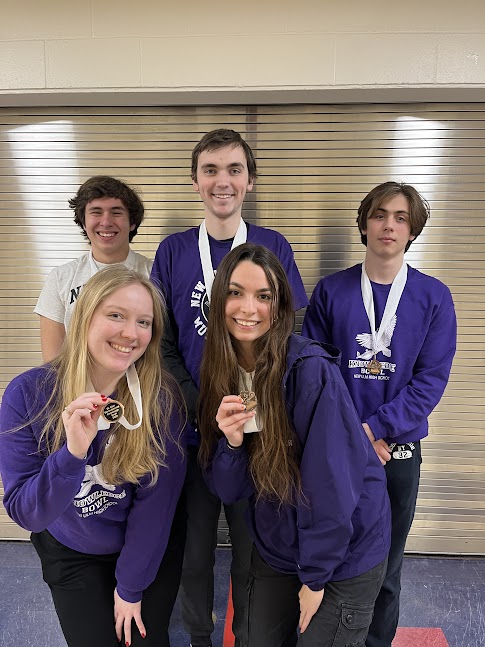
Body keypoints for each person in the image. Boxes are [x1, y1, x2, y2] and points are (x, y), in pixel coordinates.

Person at [151, 129, 308, 647]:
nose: (223, 181)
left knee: (250, 550)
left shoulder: (274, 246)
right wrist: (203, 408)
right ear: (195, 181)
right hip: (193, 435)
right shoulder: (173, 251)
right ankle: (199, 636)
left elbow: (287, 331)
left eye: (234, 170)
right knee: (195, 551)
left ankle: (243, 635)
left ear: (250, 180)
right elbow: (161, 344)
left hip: (256, 436)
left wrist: (251, 407)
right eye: (212, 170)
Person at [197, 243, 390, 647]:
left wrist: (316, 577)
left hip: (343, 548)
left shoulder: (309, 372)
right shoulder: (219, 370)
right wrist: (232, 444)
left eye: (263, 296)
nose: (249, 308)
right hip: (280, 542)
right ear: (218, 301)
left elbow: (332, 488)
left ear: (280, 305)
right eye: (235, 293)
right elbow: (230, 490)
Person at [302, 182, 457, 647]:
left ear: (412, 230)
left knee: (386, 567)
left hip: (397, 452)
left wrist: (375, 429)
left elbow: (430, 381)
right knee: (328, 556)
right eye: (380, 214)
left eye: (401, 218)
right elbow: (316, 370)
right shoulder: (332, 291)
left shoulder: (434, 297)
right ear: (365, 223)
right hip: (334, 450)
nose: (389, 224)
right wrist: (353, 434)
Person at [0, 266, 186, 647]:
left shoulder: (161, 399)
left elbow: (157, 505)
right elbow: (27, 513)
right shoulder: (28, 396)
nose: (130, 333)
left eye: (144, 322)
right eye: (115, 315)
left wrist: (131, 588)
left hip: (144, 544)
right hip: (71, 549)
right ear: (84, 317)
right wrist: (72, 454)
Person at [35, 175, 152, 362]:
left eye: (116, 212)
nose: (106, 222)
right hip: (80, 388)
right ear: (83, 222)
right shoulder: (60, 278)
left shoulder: (155, 274)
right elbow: (52, 361)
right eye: (96, 212)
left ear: (132, 223)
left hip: (140, 386)